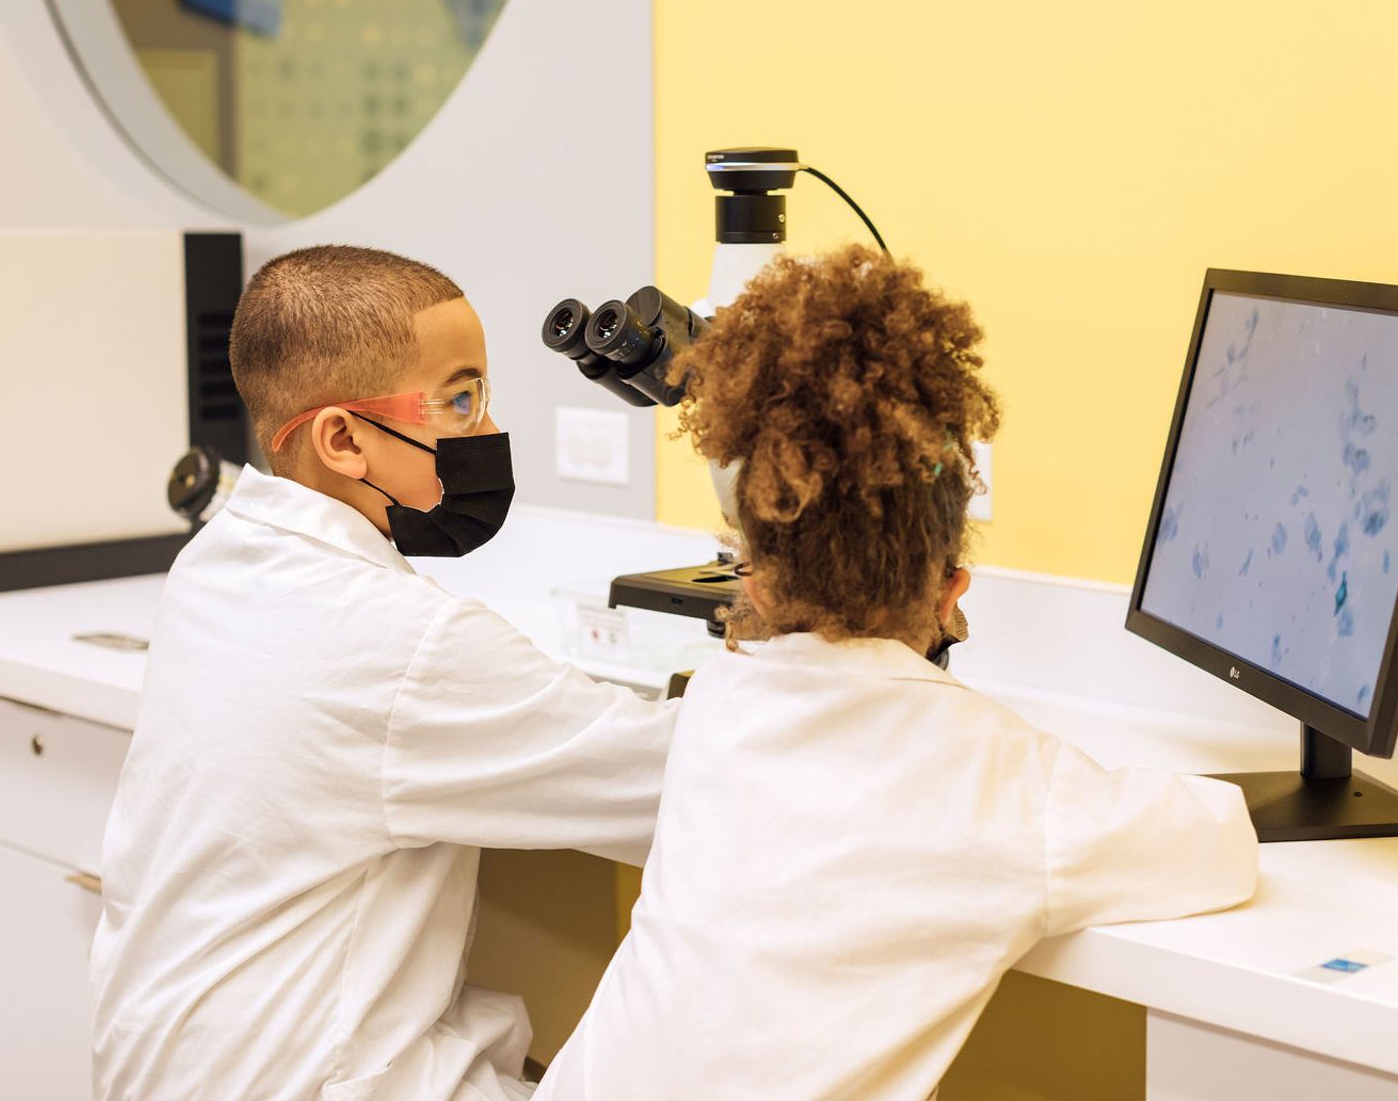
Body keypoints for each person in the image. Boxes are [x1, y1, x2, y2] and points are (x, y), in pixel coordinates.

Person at [537, 245, 1258, 1099]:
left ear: (753, 576)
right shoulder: (1004, 780)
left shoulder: (720, 705)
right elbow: (1221, 842)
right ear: (952, 587)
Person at [91, 245, 677, 1101]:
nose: (485, 432)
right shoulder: (400, 645)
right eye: (461, 399)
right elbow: (682, 785)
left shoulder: (220, 562)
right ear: (342, 437)